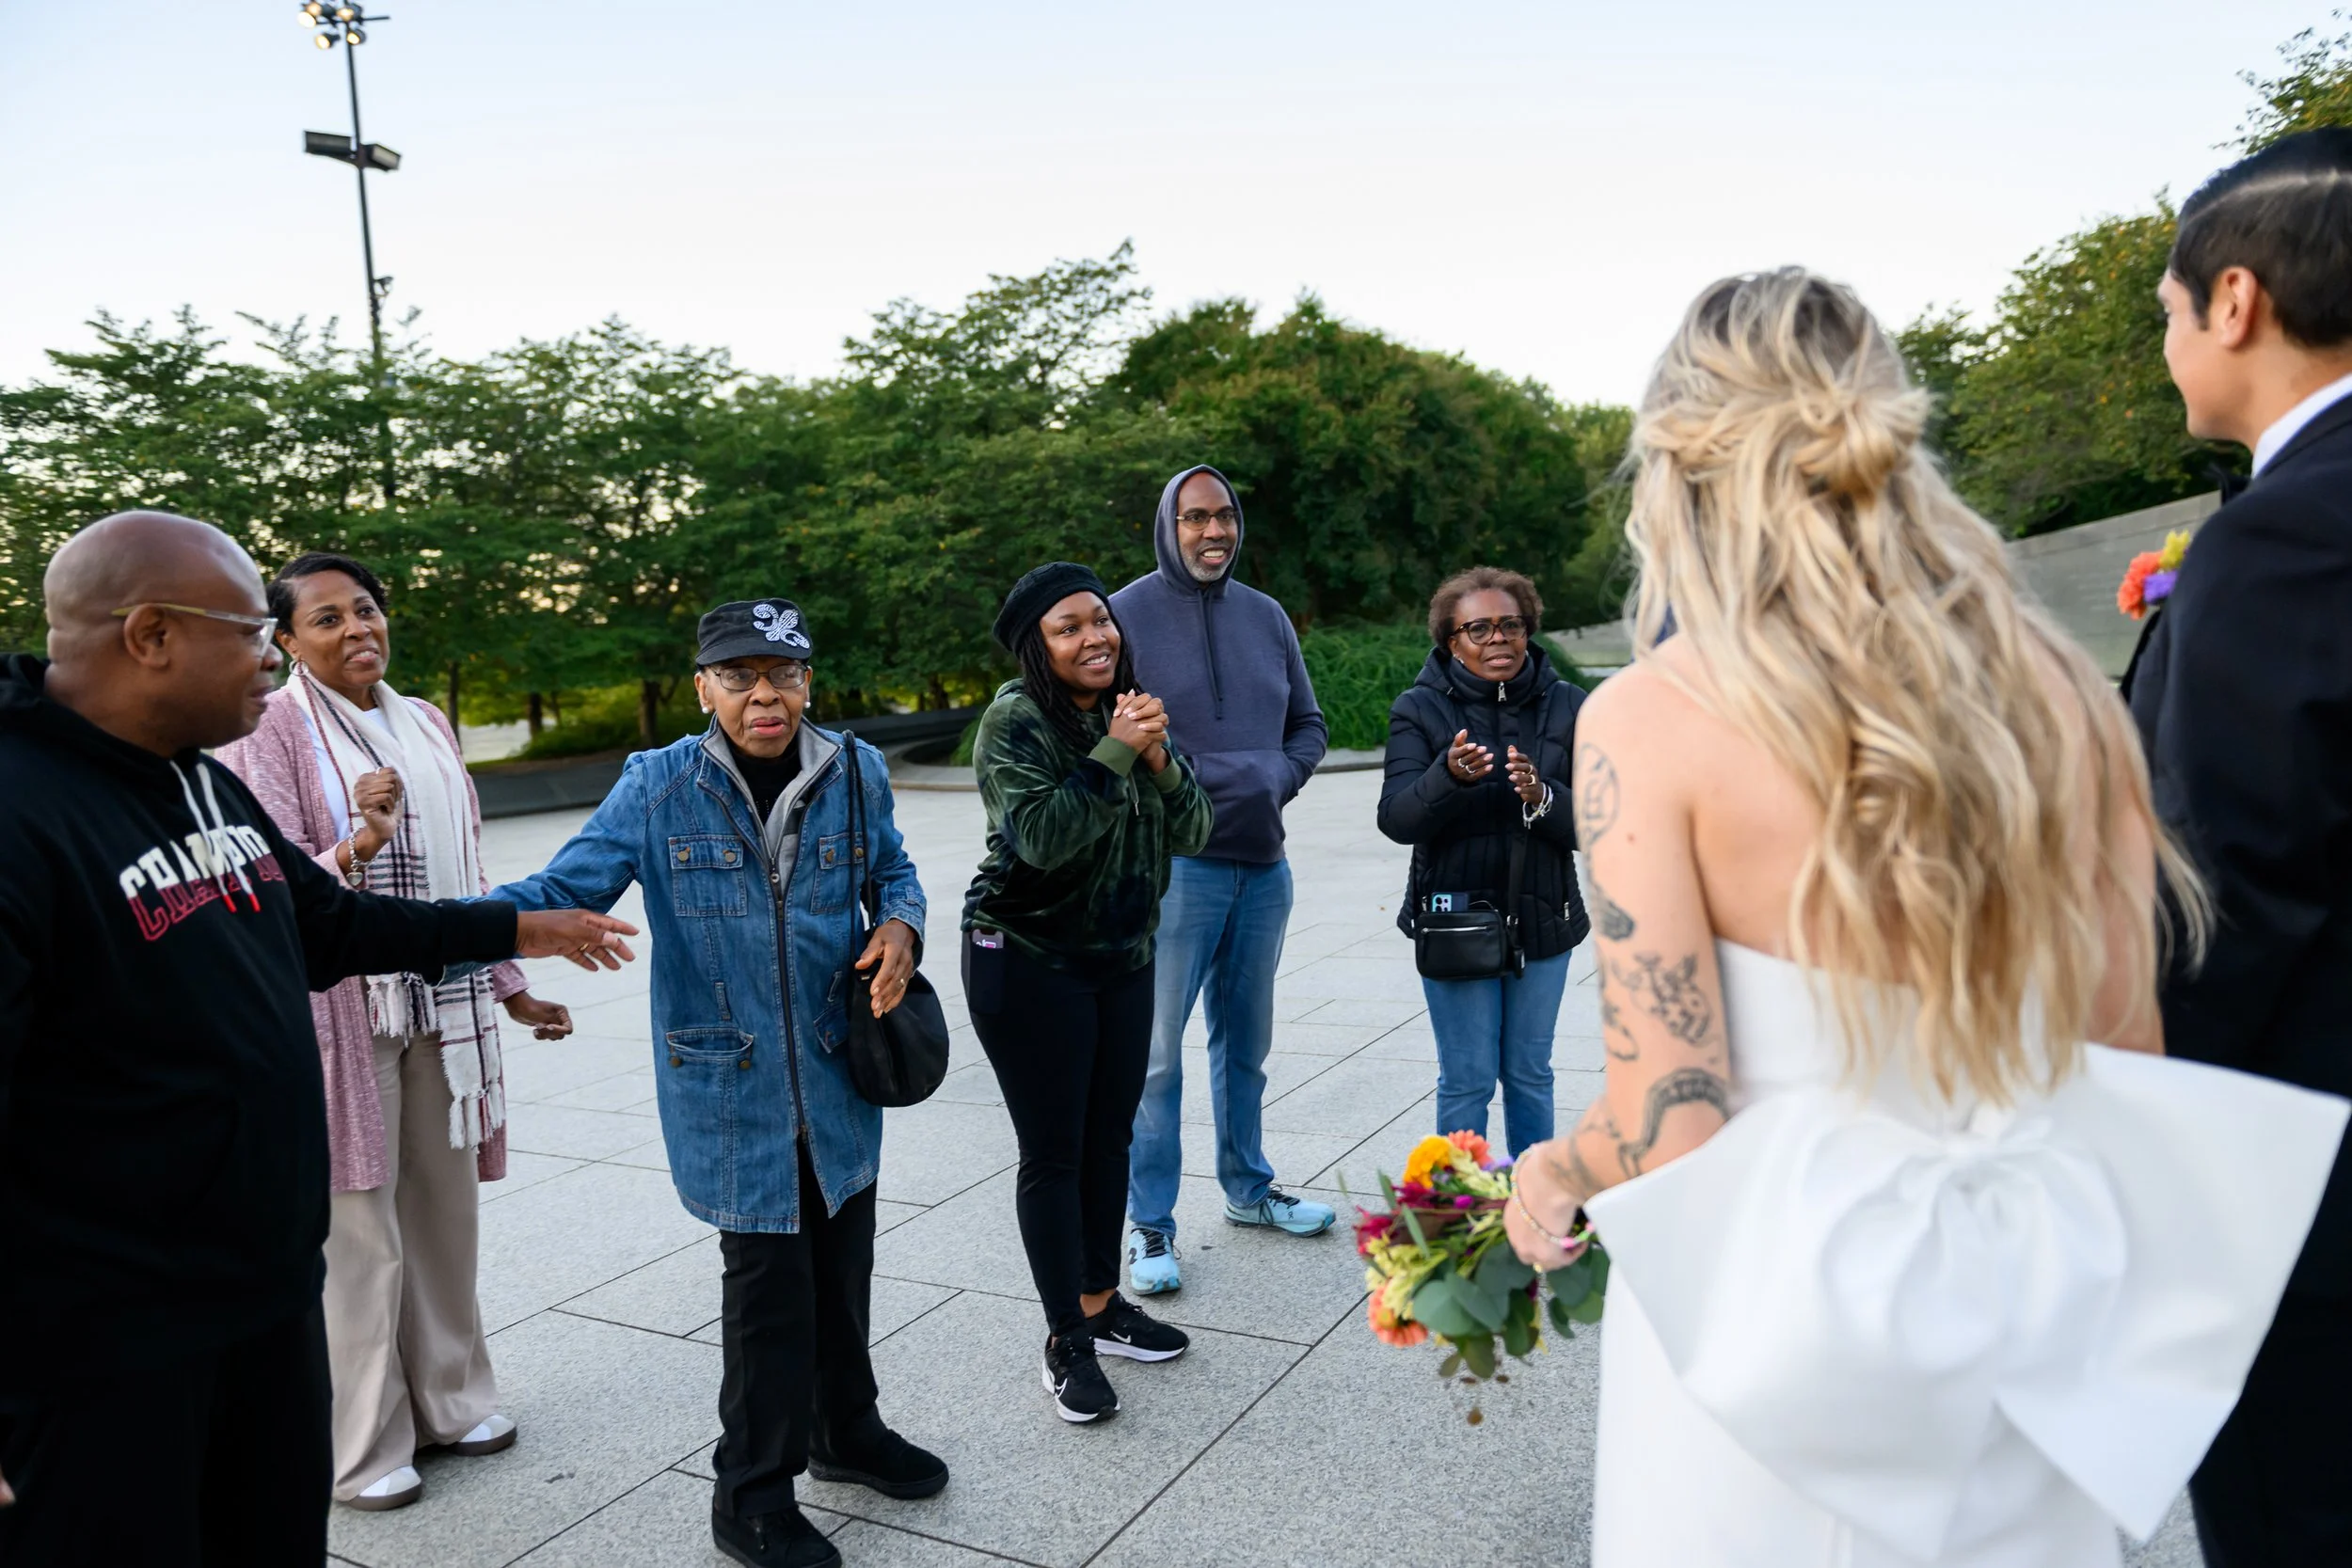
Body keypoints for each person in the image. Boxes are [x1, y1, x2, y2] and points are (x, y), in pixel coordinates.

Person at [1499, 272, 2345, 1567]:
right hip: (2014, 1331)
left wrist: (1555, 1168)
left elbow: (1674, 1120)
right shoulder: (2058, 691)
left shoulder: (1646, 721)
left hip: (1774, 1339)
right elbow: (2128, 1061)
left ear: (1677, 464)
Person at [0, 512, 636, 1568]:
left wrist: (515, 928)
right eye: (253, 626)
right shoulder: (22, 808)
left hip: (259, 1296)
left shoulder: (199, 774)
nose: (270, 652)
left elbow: (325, 925)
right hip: (102, 1351)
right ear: (150, 634)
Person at [485, 599, 944, 1568]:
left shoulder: (853, 770)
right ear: (704, 687)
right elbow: (562, 890)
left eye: (781, 672)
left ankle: (844, 1433)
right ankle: (750, 1492)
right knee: (769, 1294)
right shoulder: (658, 787)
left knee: (844, 1266)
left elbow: (894, 872)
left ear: (808, 680)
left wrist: (899, 925)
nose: (763, 692)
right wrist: (452, 930)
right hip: (730, 1086)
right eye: (738, 675)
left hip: (837, 1072)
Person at [215, 551, 577, 1513]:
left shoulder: (425, 720)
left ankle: (455, 1401)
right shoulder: (271, 728)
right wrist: (357, 844)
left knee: (443, 1211)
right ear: (283, 640)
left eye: (365, 609)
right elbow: (266, 883)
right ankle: (362, 1440)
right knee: (359, 1230)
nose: (356, 628)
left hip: (442, 1004)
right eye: (324, 618)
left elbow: (470, 873)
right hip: (341, 1010)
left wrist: (509, 984)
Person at [2127, 128, 2352, 1568]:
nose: (2168, 342)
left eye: (2165, 310)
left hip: (2304, 1181)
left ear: (2235, 302)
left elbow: (2223, 898)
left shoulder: (2287, 538)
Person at [963, 562, 1215, 1423]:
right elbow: (1039, 838)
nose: (1093, 637)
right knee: (1056, 1151)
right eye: (1068, 627)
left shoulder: (1131, 707)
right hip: (1028, 957)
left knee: (1111, 1138)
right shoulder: (1015, 720)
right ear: (1039, 646)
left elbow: (1196, 828)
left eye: (1099, 620)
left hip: (1121, 954)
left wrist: (1158, 759)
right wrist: (1119, 752)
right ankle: (1064, 1336)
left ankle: (1104, 1307)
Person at [1109, 465, 1334, 1297]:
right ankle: (1151, 1226)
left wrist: (1275, 776)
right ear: (1169, 522)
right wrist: (1191, 779)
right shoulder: (1125, 617)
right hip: (1175, 872)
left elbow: (1308, 726)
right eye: (1197, 517)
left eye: (1226, 517)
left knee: (1247, 1045)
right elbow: (1111, 731)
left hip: (1263, 866)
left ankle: (1248, 1190)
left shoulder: (1267, 616)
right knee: (1156, 1058)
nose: (1215, 532)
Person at [1375, 567, 1587, 1157]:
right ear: (1451, 641)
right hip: (1455, 924)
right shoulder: (1418, 710)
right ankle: (1461, 1220)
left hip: (1544, 918)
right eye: (1479, 628)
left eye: (1510, 625)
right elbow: (1396, 819)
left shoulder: (1570, 706)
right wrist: (1447, 776)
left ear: (1529, 631)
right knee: (1466, 1081)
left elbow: (1603, 821)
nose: (1498, 639)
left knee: (1530, 1074)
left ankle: (1531, 1207)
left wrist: (1544, 798)